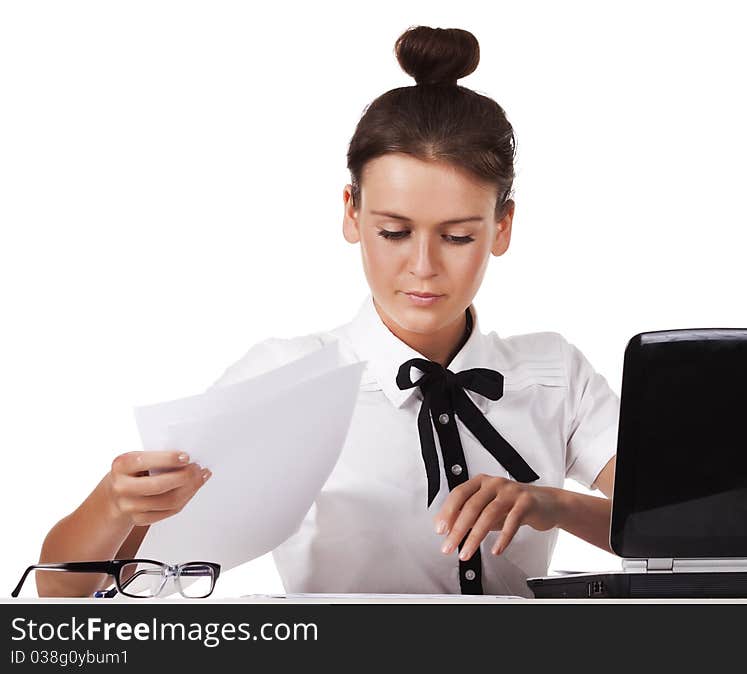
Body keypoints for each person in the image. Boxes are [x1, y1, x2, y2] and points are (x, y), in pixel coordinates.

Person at [36, 25, 618, 598]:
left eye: (458, 237)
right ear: (351, 213)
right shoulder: (287, 378)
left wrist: (555, 504)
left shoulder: (554, 375)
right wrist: (113, 503)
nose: (422, 266)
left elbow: (686, 528)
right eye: (393, 231)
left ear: (502, 227)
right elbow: (63, 597)